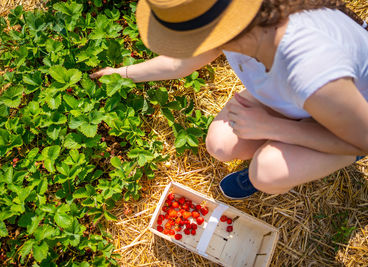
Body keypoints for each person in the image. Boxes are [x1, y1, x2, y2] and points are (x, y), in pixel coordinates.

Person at [90, 0, 368, 199]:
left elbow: (363, 140)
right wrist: (120, 74)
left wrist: (272, 128)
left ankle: (268, 174)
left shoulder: (311, 69)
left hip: (348, 120)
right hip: (294, 97)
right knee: (220, 145)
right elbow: (178, 64)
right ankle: (280, 149)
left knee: (267, 172)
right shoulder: (241, 20)